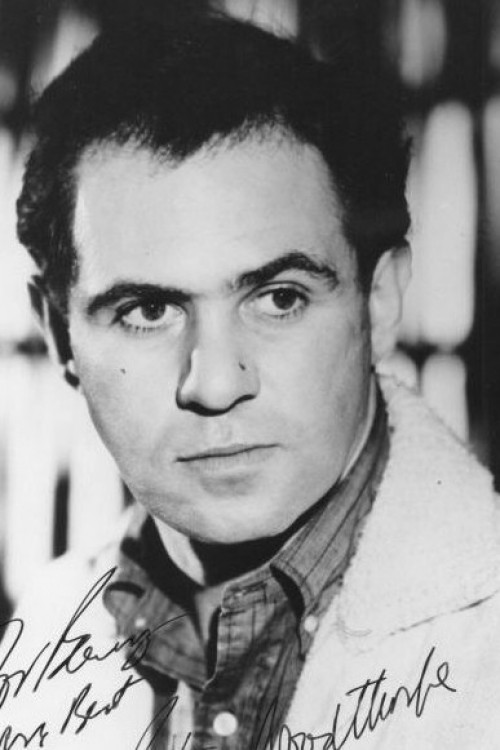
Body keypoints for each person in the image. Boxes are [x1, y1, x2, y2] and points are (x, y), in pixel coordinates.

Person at [2, 12, 500, 750]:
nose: (215, 385)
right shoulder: (41, 636)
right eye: (148, 311)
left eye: (280, 299)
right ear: (57, 331)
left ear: (380, 300)